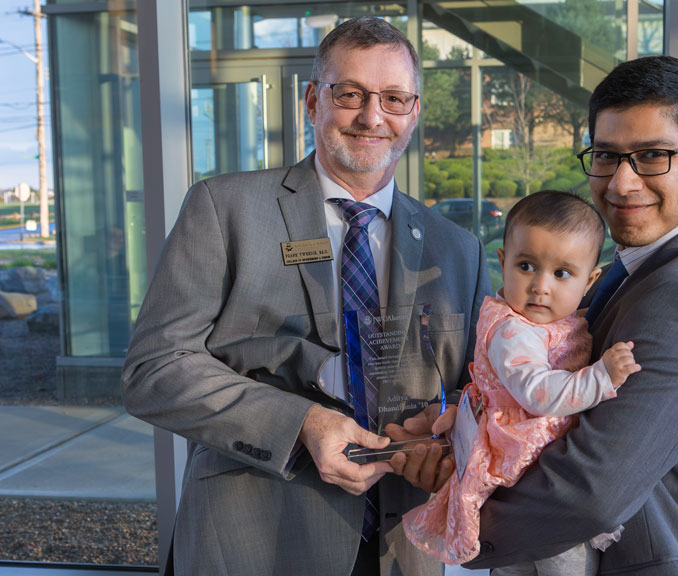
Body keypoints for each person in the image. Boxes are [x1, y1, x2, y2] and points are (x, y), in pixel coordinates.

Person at [121, 17, 490, 576]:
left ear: (413, 112)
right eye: (350, 95)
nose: (372, 117)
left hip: (404, 545)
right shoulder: (224, 210)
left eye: (393, 98)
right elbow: (154, 370)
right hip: (256, 539)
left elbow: (479, 392)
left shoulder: (457, 248)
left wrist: (449, 441)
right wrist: (303, 425)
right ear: (313, 100)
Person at [461, 56, 678, 575]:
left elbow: (590, 490)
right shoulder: (630, 267)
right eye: (607, 155)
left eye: (652, 156)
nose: (621, 183)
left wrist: (462, 515)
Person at [402, 191, 641, 574]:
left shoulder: (547, 323)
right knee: (560, 559)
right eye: (527, 266)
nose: (540, 286)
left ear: (590, 280)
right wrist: (601, 377)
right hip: (523, 464)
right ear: (503, 262)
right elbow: (538, 393)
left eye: (562, 273)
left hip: (529, 469)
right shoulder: (514, 330)